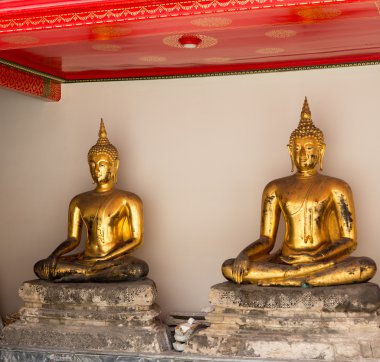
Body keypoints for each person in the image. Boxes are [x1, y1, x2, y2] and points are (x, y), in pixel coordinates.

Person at [222, 98, 376, 286]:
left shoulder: (337, 186)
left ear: (321, 151)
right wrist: (244, 255)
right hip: (286, 261)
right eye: (297, 149)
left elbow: (349, 240)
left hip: (321, 261)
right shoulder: (275, 187)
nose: (302, 154)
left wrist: (316, 257)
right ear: (290, 152)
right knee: (229, 267)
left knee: (366, 266)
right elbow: (266, 240)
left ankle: (291, 279)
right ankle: (305, 279)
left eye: (309, 148)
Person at [34, 119, 148, 282]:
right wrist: (53, 255)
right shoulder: (79, 200)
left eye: (101, 164)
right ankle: (88, 274)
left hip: (114, 260)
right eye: (92, 164)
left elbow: (136, 240)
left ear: (114, 165)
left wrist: (106, 258)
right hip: (86, 259)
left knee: (138, 269)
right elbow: (73, 239)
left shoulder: (129, 200)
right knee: (41, 267)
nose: (96, 169)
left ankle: (80, 275)